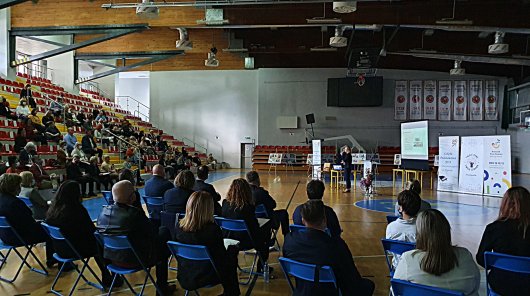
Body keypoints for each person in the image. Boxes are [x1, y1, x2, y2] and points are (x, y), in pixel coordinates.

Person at [96, 180, 176, 295]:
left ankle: (115, 278)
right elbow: (153, 234)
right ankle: (162, 288)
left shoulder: (102, 214)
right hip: (136, 260)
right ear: (132, 197)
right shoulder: (134, 214)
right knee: (163, 236)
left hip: (112, 260)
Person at [283, 200, 375, 296]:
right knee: (368, 285)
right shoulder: (336, 246)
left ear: (303, 220)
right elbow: (352, 278)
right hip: (330, 291)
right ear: (325, 220)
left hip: (302, 291)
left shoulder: (290, 240)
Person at [46, 180, 120, 288]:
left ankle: (110, 276)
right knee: (101, 244)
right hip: (76, 249)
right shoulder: (76, 210)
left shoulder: (53, 209)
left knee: (94, 242)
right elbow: (91, 230)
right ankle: (109, 276)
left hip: (60, 250)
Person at [394, 209, 480, 295]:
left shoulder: (408, 259)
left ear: (419, 233)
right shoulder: (465, 256)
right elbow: (475, 288)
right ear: (446, 230)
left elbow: (396, 291)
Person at [175, 191, 240, 296]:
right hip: (208, 276)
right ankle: (231, 292)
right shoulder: (212, 230)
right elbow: (222, 258)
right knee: (232, 252)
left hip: (186, 275)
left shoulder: (179, 227)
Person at [476, 186, 530, 296]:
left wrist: (497, 264)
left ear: (504, 204)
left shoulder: (494, 228)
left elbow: (481, 258)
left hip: (500, 285)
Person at [0, 173, 55, 267]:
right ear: (14, 186)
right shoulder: (15, 203)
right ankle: (53, 259)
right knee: (52, 231)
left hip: (5, 237)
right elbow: (29, 224)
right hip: (20, 237)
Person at [222, 178, 272, 272]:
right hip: (245, 241)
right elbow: (254, 228)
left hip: (228, 239)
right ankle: (261, 266)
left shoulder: (225, 204)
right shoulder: (248, 207)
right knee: (266, 237)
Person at [246, 170, 289, 236]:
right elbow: (273, 205)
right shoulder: (261, 192)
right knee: (284, 213)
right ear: (258, 179)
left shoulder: (244, 192)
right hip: (266, 219)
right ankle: (287, 236)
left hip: (250, 219)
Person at [386, 190, 421, 267]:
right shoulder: (423, 227)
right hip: (418, 267)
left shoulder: (391, 227)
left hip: (398, 269)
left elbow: (390, 251)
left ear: (400, 208)